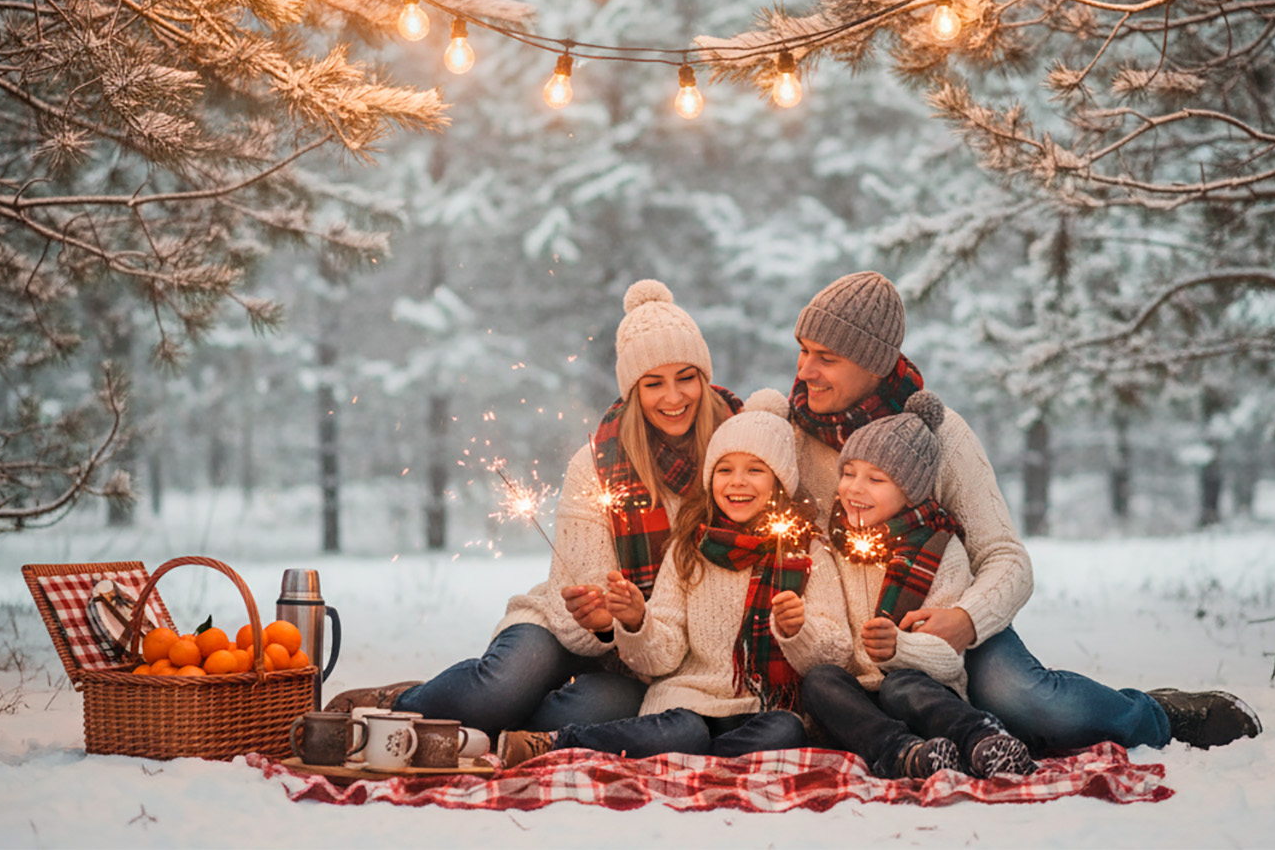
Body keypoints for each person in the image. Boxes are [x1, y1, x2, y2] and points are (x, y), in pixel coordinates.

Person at [787, 271, 1261, 752]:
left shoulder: (939, 435)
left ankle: (1155, 715)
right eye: (803, 350)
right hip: (842, 636)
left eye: (827, 358)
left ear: (875, 364)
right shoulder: (794, 432)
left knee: (1029, 703)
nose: (805, 371)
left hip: (939, 621)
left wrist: (964, 620)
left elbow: (1007, 558)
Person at [326, 280, 739, 736]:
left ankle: (504, 726)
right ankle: (399, 701)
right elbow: (571, 605)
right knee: (498, 691)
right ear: (632, 391)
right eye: (654, 383)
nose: (674, 397)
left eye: (686, 377)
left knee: (575, 717)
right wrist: (602, 624)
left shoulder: (735, 459)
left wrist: (631, 629)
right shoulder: (599, 464)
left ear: (704, 377)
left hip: (651, 661)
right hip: (568, 629)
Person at [495, 390, 850, 765]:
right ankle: (559, 742)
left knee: (786, 731)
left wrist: (800, 630)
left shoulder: (807, 552)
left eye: (755, 470)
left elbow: (837, 650)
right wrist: (637, 622)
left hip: (760, 709)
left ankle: (693, 757)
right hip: (687, 701)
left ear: (780, 480)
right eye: (725, 470)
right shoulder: (689, 549)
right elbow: (662, 656)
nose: (737, 482)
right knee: (685, 732)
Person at [802, 389, 1036, 779]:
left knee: (901, 687)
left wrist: (901, 647)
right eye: (848, 473)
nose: (854, 488)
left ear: (910, 492)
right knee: (820, 683)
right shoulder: (826, 548)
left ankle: (982, 739)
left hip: (922, 686)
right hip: (859, 696)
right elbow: (828, 643)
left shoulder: (940, 551)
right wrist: (799, 631)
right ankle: (903, 753)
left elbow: (948, 657)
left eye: (876, 478)